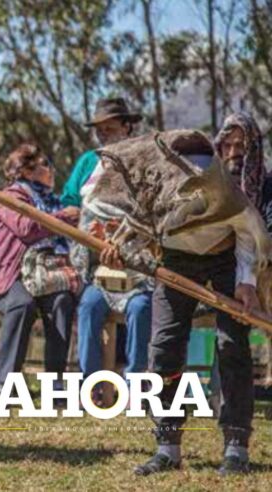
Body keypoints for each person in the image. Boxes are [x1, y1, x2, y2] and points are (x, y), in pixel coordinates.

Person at [122, 142, 262, 477]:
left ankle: (236, 446)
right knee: (164, 347)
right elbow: (135, 231)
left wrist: (246, 282)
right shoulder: (154, 188)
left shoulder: (224, 186)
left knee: (232, 344)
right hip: (176, 260)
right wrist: (118, 248)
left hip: (225, 257)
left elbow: (246, 232)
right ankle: (167, 447)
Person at [63, 99, 152, 400]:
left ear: (127, 127)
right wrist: (84, 223)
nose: (103, 135)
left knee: (141, 309)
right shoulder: (88, 162)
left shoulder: (144, 161)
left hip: (137, 270)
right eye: (99, 130)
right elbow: (70, 201)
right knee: (88, 307)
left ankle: (135, 389)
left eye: (109, 128)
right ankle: (92, 388)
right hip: (97, 266)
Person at [0, 145, 79, 393]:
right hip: (10, 276)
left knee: (62, 301)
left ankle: (55, 385)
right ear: (26, 170)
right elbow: (26, 229)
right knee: (22, 304)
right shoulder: (9, 197)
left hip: (46, 276)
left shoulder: (52, 201)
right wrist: (64, 218)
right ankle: (4, 384)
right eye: (45, 164)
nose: (52, 169)